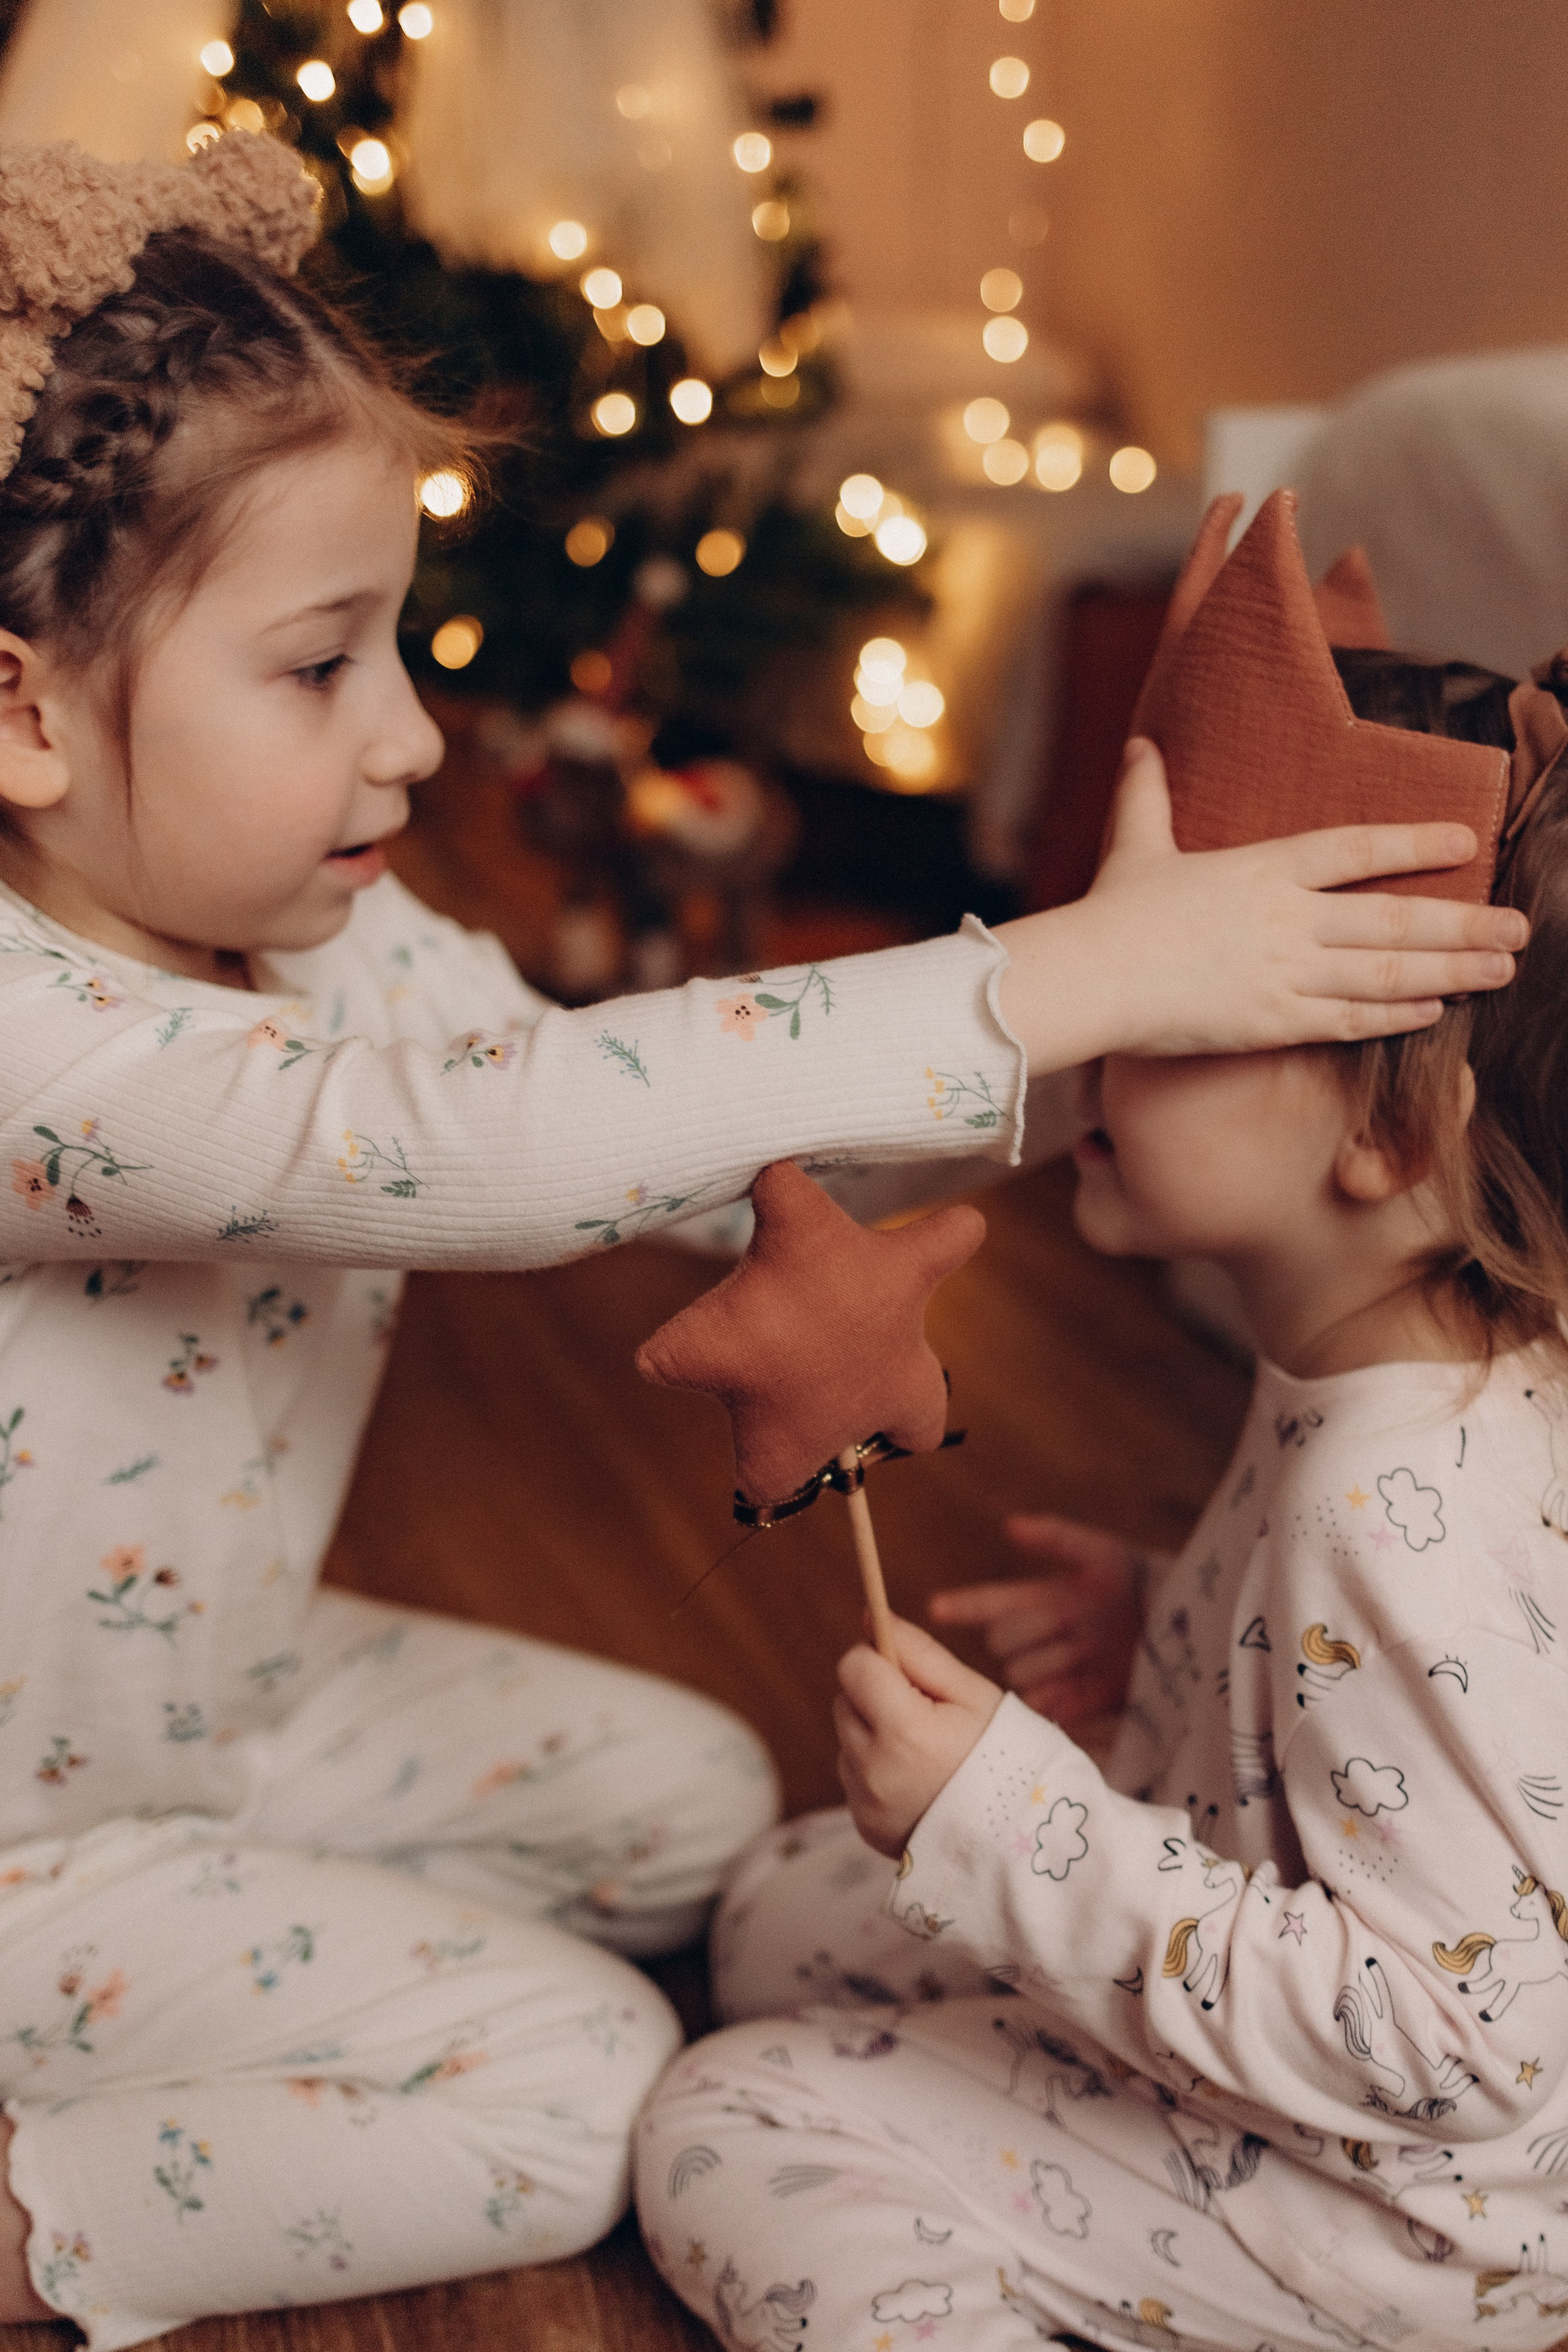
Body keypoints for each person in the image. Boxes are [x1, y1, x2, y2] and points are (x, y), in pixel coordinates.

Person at [0, 135, 1524, 2348]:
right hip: (31, 1824)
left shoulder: (319, 945)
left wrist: (1139, 1049)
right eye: (320, 666)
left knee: (700, 1808)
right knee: (578, 2077)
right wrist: (1061, 980)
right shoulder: (35, 1040)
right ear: (23, 711)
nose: (413, 733)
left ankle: (217, 1931)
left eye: (397, 646)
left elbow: (694, 1151)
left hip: (199, 1706)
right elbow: (491, 1146)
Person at [635, 644, 1568, 2352]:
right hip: (1376, 2094)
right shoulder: (1412, 1377)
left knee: (733, 2117)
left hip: (1399, 2223)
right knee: (781, 1909)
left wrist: (1011, 1824)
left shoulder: (1386, 1512)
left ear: (1395, 1129)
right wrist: (1174, 1633)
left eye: (1179, 992)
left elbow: (1459, 2046)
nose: (1096, 1022)